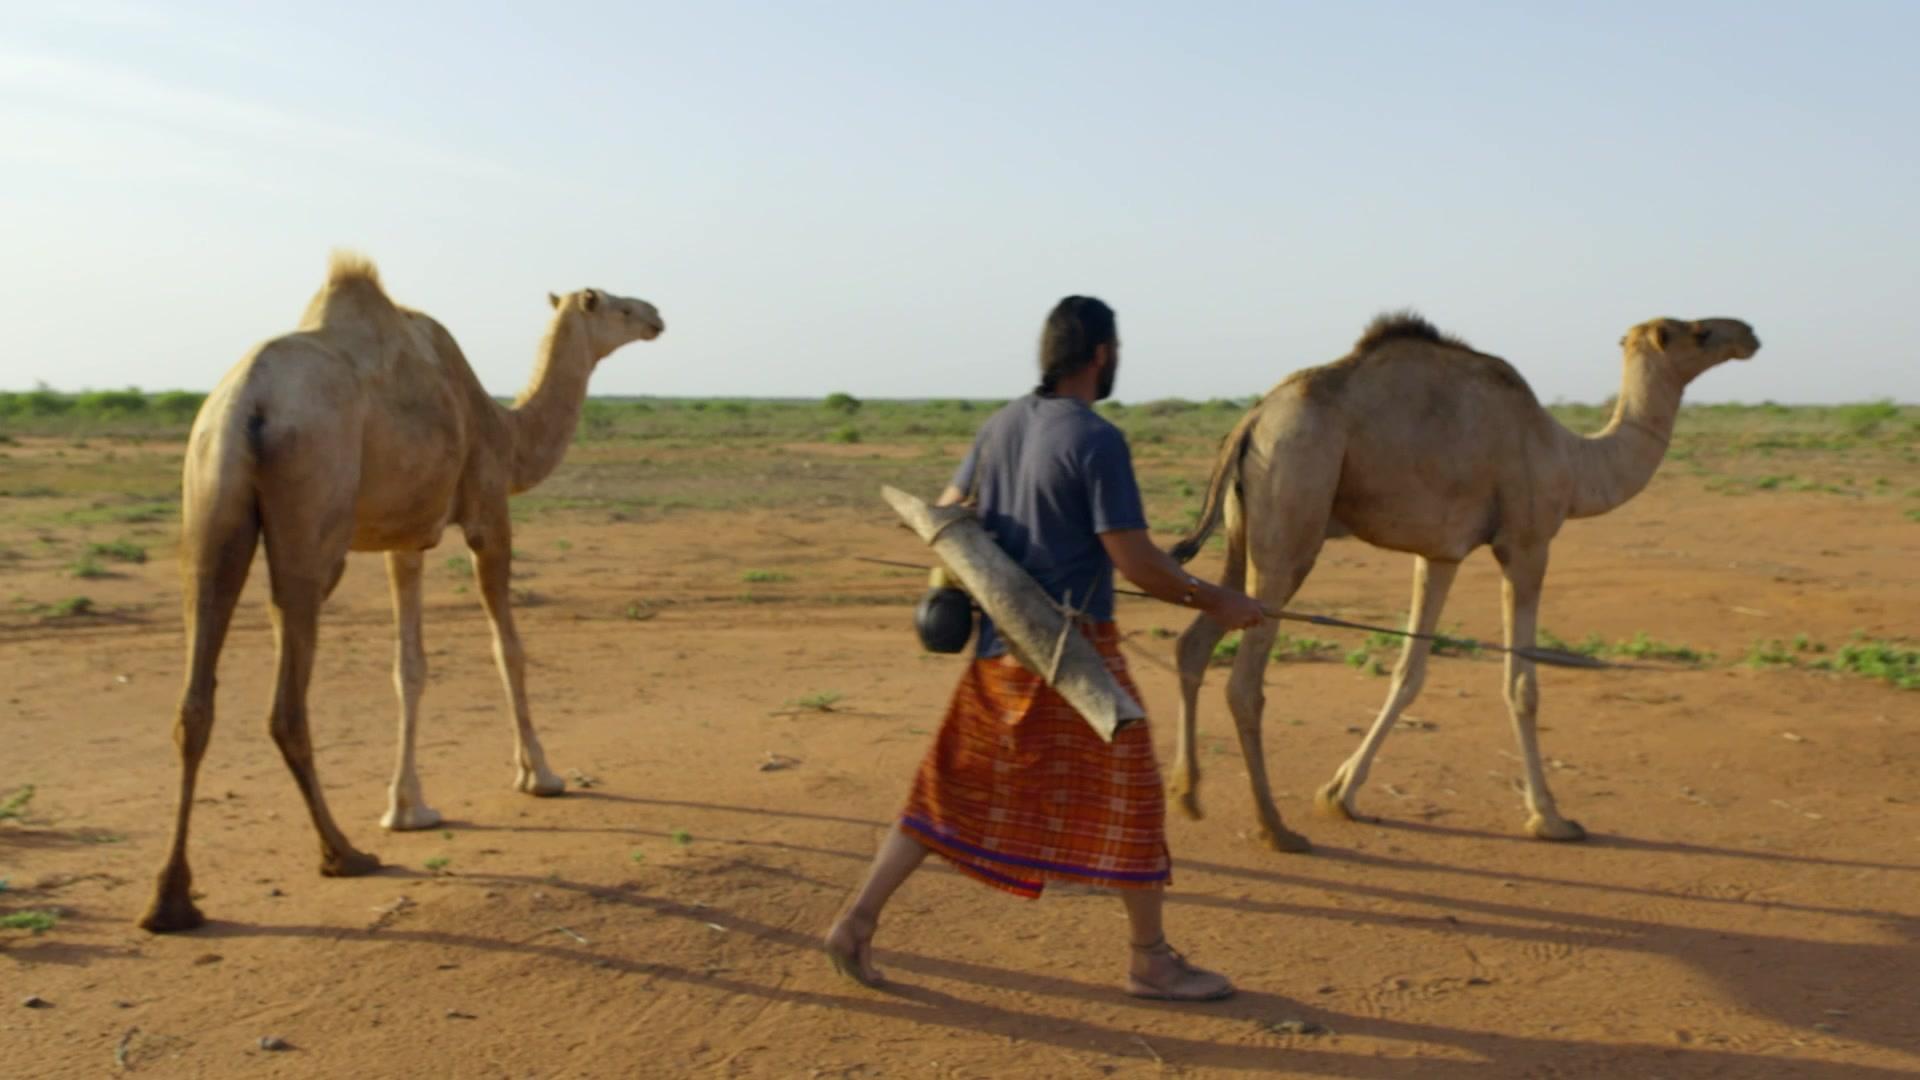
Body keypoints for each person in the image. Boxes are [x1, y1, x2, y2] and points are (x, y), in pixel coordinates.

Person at [823, 296, 1267, 1000]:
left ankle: (855, 922)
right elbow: (1134, 562)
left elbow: (946, 511)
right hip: (1073, 657)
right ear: (1101, 354)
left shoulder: (999, 425)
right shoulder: (1096, 440)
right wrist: (1221, 602)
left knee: (948, 789)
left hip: (1001, 649)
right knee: (1136, 799)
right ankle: (1149, 961)